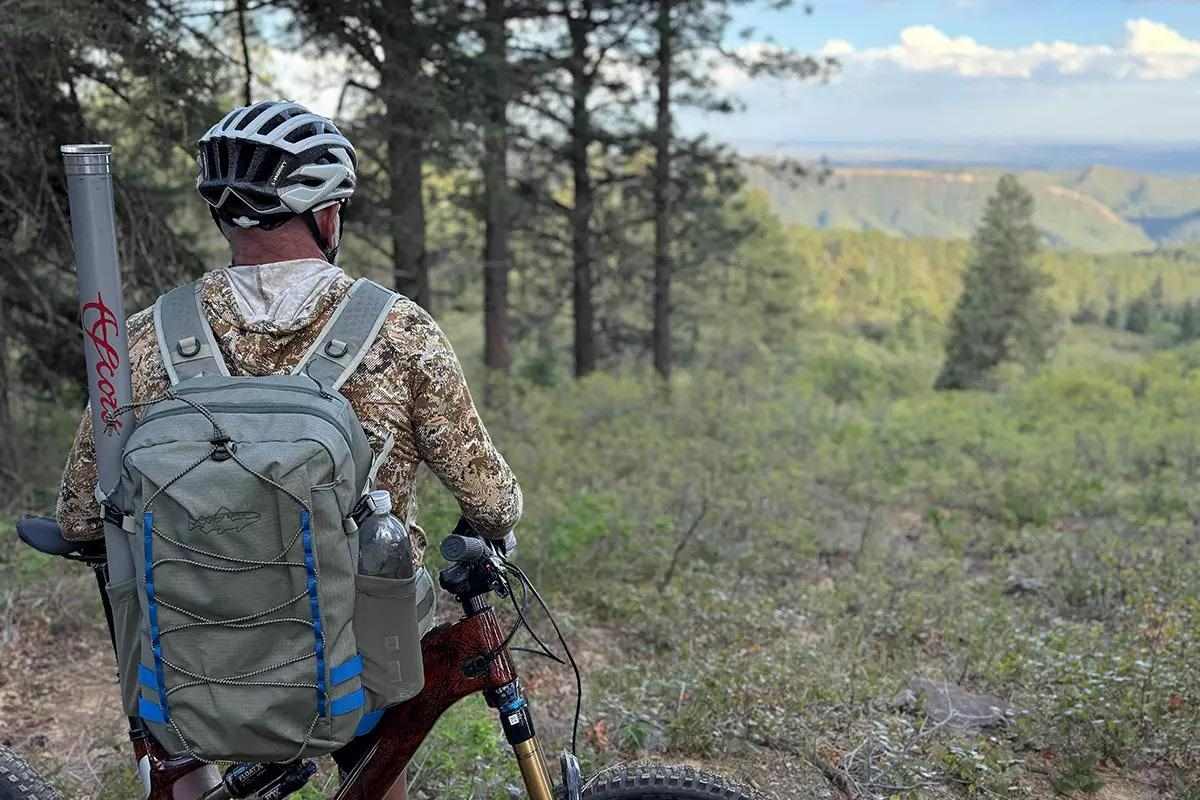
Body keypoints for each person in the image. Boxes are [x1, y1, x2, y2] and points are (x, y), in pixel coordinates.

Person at [55, 100, 523, 800]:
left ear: (223, 215)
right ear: (328, 215)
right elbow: (491, 500)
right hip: (358, 661)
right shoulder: (401, 333)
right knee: (374, 738)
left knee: (181, 737)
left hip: (192, 661)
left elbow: (79, 516)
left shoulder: (147, 338)